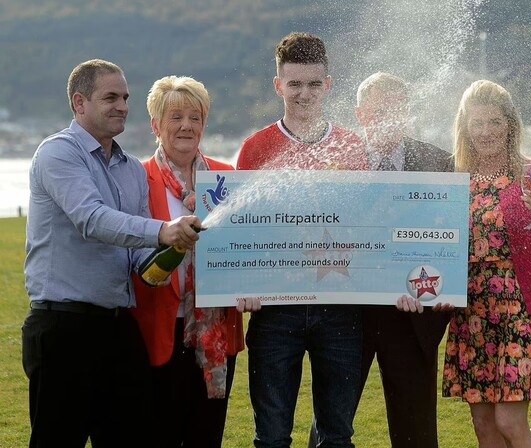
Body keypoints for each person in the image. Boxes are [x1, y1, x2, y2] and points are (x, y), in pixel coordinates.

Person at [22, 59, 202, 448]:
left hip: (120, 328)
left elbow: (138, 257)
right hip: (63, 328)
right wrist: (163, 231)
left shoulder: (131, 169)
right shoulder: (58, 153)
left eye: (125, 98)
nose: (122, 106)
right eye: (110, 98)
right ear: (79, 102)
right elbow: (91, 219)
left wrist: (174, 250)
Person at [236, 32, 366, 448]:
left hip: (341, 308)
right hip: (275, 310)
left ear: (328, 85)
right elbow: (241, 230)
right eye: (294, 84)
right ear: (278, 85)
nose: (304, 93)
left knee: (337, 436)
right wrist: (242, 283)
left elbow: (369, 225)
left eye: (313, 84)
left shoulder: (352, 146)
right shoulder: (255, 148)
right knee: (272, 437)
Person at [441, 80, 531, 447]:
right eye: (477, 123)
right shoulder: (454, 179)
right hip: (471, 311)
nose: (486, 131)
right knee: (484, 426)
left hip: (520, 309)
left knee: (509, 422)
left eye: (495, 122)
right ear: (465, 127)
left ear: (510, 125)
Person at [332, 72, 453, 448]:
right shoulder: (337, 163)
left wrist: (442, 292)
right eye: (378, 111)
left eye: (396, 109)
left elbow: (450, 237)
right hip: (347, 314)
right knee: (332, 426)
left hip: (414, 314)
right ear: (360, 115)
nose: (388, 118)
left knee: (417, 433)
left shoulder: (439, 162)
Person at [130, 75, 245, 448]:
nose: (186, 126)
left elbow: (246, 246)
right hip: (158, 329)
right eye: (176, 117)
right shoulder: (138, 177)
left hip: (215, 331)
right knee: (158, 435)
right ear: (156, 126)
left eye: (195, 117)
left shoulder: (227, 176)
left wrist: (251, 284)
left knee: (206, 435)